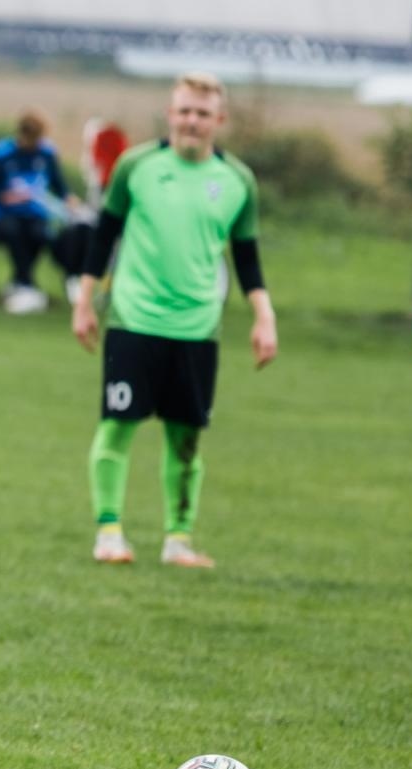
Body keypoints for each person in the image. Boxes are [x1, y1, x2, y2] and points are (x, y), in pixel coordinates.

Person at [71, 72, 277, 568]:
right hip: (134, 319)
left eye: (202, 113)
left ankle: (178, 540)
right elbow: (105, 236)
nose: (192, 121)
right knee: (118, 427)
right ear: (170, 113)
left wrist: (263, 316)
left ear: (218, 120)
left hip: (197, 327)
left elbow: (246, 256)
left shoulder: (237, 181)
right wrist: (84, 301)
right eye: (184, 110)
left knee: (186, 439)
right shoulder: (137, 165)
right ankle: (109, 533)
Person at [0, 108, 76, 314]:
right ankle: (25, 283)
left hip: (36, 212)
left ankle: (22, 282)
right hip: (6, 213)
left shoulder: (47, 152)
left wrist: (69, 199)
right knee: (14, 232)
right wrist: (9, 197)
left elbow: (58, 184)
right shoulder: (0, 153)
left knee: (40, 234)